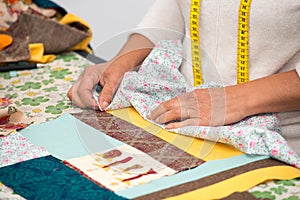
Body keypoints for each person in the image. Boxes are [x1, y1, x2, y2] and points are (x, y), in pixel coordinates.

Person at [68, 0, 300, 154]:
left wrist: (232, 100)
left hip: (282, 146)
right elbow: (175, 8)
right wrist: (119, 63)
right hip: (188, 128)